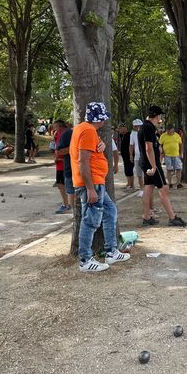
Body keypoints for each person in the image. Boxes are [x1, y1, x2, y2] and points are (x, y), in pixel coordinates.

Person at [70, 102, 130, 272]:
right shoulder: (88, 131)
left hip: (96, 182)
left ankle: (111, 251)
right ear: (100, 118)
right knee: (91, 221)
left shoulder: (84, 129)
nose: (105, 121)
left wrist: (101, 145)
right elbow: (83, 161)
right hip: (92, 183)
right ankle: (85, 260)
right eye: (104, 117)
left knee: (110, 211)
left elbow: (88, 151)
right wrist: (90, 188)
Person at [138, 106, 187, 227]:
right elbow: (148, 148)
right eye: (160, 115)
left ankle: (146, 217)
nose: (161, 118)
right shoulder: (148, 127)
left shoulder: (145, 126)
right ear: (156, 115)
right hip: (151, 163)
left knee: (148, 188)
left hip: (146, 163)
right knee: (164, 189)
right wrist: (154, 166)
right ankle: (172, 217)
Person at [56, 122, 75, 214]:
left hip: (89, 173)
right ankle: (68, 206)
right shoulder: (67, 134)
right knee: (70, 192)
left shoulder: (93, 131)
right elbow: (59, 151)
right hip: (70, 171)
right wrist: (73, 147)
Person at [53, 121, 71, 214]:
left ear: (60, 126)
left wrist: (58, 157)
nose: (54, 129)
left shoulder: (64, 134)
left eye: (55, 127)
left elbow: (59, 150)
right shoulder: (59, 135)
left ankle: (66, 204)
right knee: (62, 185)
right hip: (60, 164)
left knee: (62, 185)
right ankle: (67, 203)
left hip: (63, 165)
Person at [159, 124, 184, 189]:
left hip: (176, 155)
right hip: (167, 155)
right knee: (169, 169)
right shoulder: (163, 136)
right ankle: (170, 183)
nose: (168, 132)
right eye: (167, 131)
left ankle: (178, 183)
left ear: (172, 130)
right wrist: (162, 152)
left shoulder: (177, 135)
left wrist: (181, 153)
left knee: (178, 169)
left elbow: (181, 144)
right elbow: (160, 144)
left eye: (170, 131)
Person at [129, 119, 145, 197]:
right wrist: (131, 155)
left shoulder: (145, 133)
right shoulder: (133, 134)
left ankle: (147, 188)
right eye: (136, 126)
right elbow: (131, 145)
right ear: (133, 126)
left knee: (146, 173)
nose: (138, 127)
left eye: (139, 126)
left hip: (145, 156)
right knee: (139, 174)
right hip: (137, 157)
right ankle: (142, 189)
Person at [118, 123, 135, 190]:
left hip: (129, 155)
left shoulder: (129, 135)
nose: (119, 130)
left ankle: (132, 185)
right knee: (126, 170)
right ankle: (128, 183)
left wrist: (131, 155)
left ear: (124, 128)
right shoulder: (122, 135)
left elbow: (131, 146)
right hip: (125, 156)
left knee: (129, 169)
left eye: (120, 129)